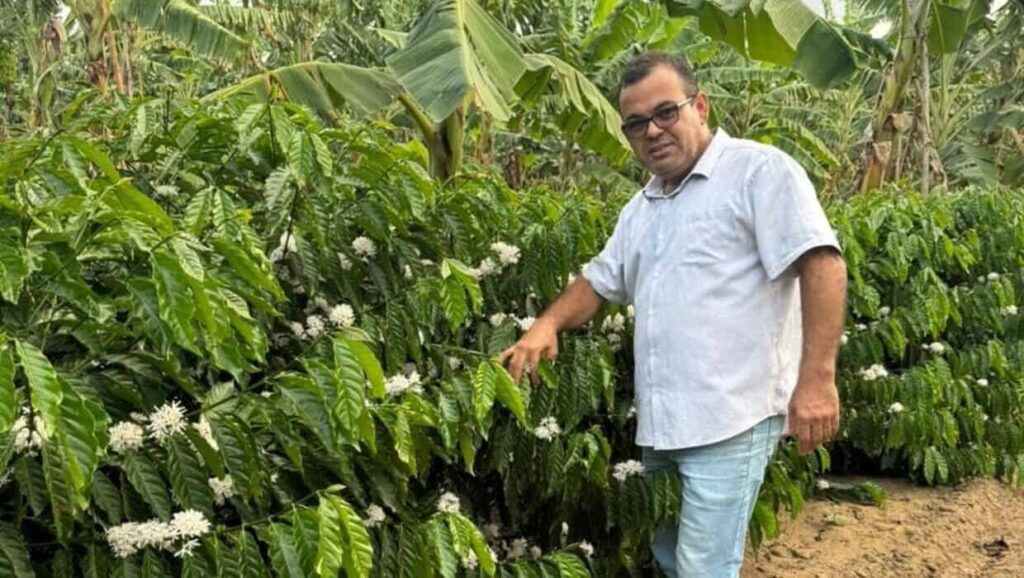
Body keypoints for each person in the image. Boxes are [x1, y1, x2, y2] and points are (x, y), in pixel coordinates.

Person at [498, 51, 847, 577]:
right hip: (662, 426)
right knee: (667, 554)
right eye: (636, 123)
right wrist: (546, 323)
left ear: (700, 106)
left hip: (732, 419)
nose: (653, 131)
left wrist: (817, 381)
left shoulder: (757, 171)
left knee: (703, 567)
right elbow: (598, 281)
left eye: (666, 112)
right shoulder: (642, 208)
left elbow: (821, 262)